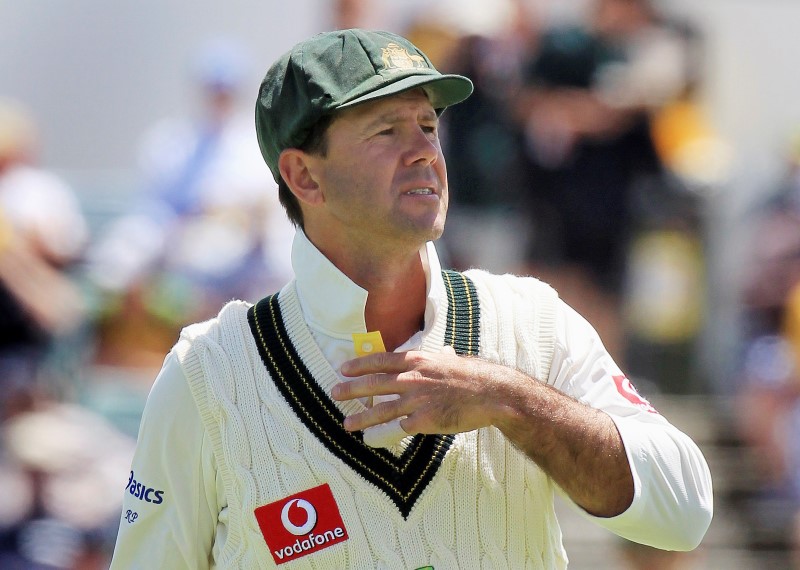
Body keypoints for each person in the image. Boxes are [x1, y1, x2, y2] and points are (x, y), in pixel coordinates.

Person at [110, 29, 712, 568]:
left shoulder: (534, 322)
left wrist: (508, 399)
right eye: (386, 130)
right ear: (304, 177)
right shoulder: (207, 375)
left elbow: (685, 513)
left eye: (427, 125)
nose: (425, 149)